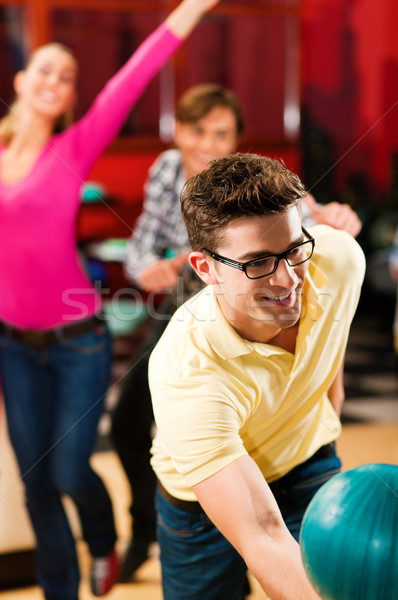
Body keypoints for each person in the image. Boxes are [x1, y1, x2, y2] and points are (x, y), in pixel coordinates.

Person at [0, 2, 219, 599]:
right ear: (20, 80)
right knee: (37, 483)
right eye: (45, 69)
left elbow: (135, 76)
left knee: (71, 471)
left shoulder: (73, 148)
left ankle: (102, 541)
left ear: (71, 96)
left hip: (78, 341)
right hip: (13, 346)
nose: (55, 81)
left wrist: (192, 10)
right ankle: (60, 592)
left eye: (67, 76)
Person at [112, 83, 362, 582]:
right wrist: (151, 271)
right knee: (129, 421)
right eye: (259, 261)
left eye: (294, 250)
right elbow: (263, 533)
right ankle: (140, 533)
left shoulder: (335, 260)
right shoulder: (185, 368)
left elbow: (325, 351)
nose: (289, 277)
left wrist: (321, 432)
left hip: (305, 461)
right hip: (194, 501)